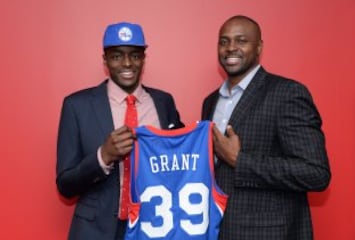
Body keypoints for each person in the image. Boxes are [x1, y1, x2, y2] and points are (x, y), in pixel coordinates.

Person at [201, 15, 331, 240]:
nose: (231, 48)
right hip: (218, 230)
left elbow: (316, 173)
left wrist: (240, 160)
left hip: (270, 233)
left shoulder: (287, 93)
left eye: (241, 41)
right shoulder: (210, 101)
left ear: (259, 46)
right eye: (224, 41)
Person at [56, 21, 184, 240]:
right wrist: (102, 156)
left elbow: (180, 161)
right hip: (95, 231)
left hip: (155, 227)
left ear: (144, 58)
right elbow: (65, 185)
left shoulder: (164, 102)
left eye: (135, 55)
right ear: (105, 60)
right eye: (117, 56)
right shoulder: (76, 106)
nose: (127, 63)